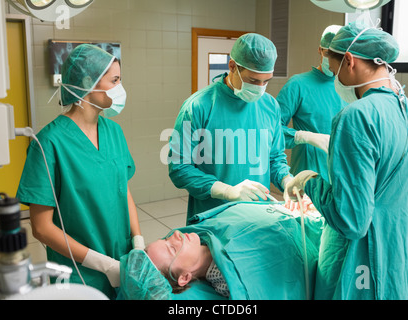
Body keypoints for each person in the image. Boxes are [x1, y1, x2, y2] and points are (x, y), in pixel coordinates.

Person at [284, 22, 408, 299]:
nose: (334, 76)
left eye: (333, 65)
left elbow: (352, 220)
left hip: (363, 265)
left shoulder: (356, 116)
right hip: (401, 258)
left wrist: (310, 181)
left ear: (348, 60)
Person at [16, 44, 144, 299]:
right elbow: (41, 227)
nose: (120, 88)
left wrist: (138, 241)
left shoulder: (114, 132)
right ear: (88, 82)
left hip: (123, 259)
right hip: (78, 272)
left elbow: (123, 190)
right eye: (115, 80)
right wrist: (102, 264)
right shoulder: (49, 143)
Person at [168, 33, 292, 222]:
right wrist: (226, 191)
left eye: (266, 81)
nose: (260, 88)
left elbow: (274, 159)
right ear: (232, 66)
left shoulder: (270, 106)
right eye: (253, 80)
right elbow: (179, 167)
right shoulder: (198, 106)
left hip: (258, 216)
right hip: (215, 216)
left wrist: (288, 181)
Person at [145, 201, 322, 299]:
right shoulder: (226, 282)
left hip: (300, 211)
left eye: (166, 238)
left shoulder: (209, 228)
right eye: (171, 249)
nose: (176, 234)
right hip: (312, 239)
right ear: (184, 278)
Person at [277, 25, 347, 181]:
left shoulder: (350, 88)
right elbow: (271, 129)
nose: (332, 60)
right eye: (328, 53)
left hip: (341, 177)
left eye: (338, 55)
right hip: (308, 177)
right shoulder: (298, 85)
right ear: (319, 50)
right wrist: (303, 136)